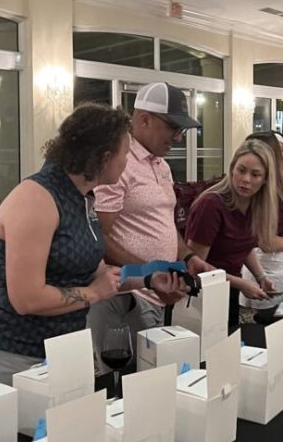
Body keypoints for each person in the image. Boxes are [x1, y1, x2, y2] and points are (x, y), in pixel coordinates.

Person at [0, 103, 179, 385]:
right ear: (104, 158)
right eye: (126, 153)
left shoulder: (84, 197)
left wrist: (149, 280)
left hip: (56, 347)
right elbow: (26, 298)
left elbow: (97, 274)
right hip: (4, 347)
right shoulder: (36, 199)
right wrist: (93, 294)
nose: (128, 160)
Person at [88, 81, 212, 354]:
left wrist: (189, 257)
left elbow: (163, 223)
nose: (179, 137)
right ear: (144, 120)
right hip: (126, 296)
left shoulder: (162, 164)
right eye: (173, 128)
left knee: (158, 375)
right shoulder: (118, 164)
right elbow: (99, 239)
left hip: (159, 292)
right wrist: (149, 272)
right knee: (131, 382)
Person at [185, 139, 278, 327]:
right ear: (232, 169)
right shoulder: (211, 205)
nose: (246, 179)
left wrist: (261, 277)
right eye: (241, 170)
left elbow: (244, 246)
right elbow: (195, 267)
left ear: (265, 179)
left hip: (229, 288)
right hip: (201, 294)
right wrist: (241, 284)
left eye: (255, 174)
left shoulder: (256, 205)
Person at [239, 132, 283, 306]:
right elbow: (267, 243)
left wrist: (278, 171)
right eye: (280, 153)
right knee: (267, 322)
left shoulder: (278, 183)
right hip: (266, 263)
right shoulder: (260, 192)